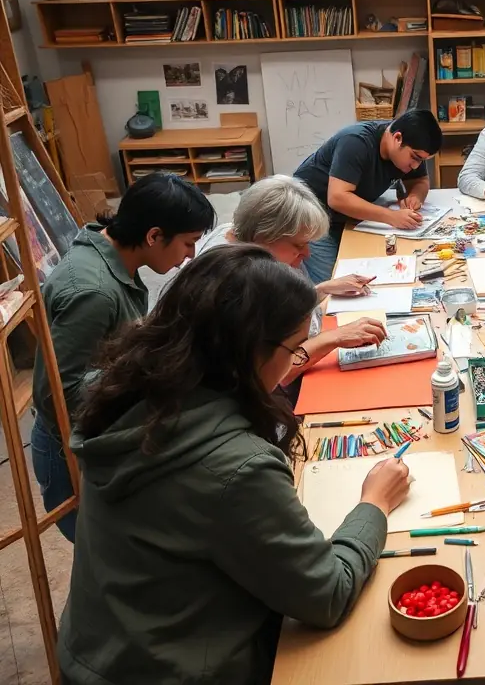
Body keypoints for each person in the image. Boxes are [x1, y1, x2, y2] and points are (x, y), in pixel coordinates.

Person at [58, 245, 412, 684]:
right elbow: (327, 594)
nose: (296, 360)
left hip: (99, 653)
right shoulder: (235, 467)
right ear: (249, 350)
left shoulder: (128, 391)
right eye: (296, 348)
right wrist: (373, 506)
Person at [31, 173, 215, 543]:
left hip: (95, 433)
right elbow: (57, 396)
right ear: (153, 236)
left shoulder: (111, 252)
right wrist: (147, 363)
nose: (190, 255)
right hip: (70, 453)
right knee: (104, 554)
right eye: (188, 243)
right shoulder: (94, 292)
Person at [198, 175, 387, 400]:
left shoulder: (239, 235)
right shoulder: (236, 282)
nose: (307, 254)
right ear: (264, 236)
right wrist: (333, 338)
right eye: (299, 245)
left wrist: (323, 289)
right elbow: (273, 376)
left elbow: (280, 312)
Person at [293, 109, 443, 284]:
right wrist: (391, 217)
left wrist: (415, 196)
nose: (416, 165)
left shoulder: (405, 151)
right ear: (397, 138)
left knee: (376, 272)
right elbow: (337, 198)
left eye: (422, 160)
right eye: (415, 158)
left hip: (349, 219)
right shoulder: (356, 142)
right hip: (311, 217)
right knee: (336, 285)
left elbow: (420, 180)